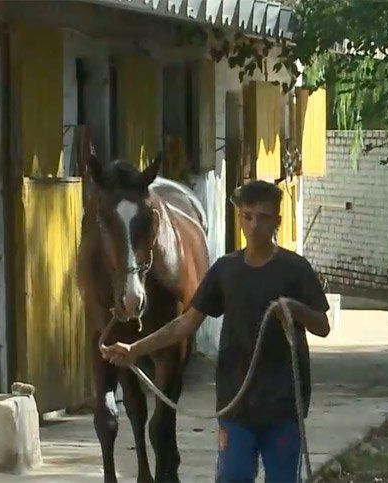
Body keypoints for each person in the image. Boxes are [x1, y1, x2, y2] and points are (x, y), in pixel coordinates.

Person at [101, 179, 330, 482]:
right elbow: (186, 323)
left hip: (283, 404)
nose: (254, 225)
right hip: (236, 404)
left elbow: (322, 326)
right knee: (232, 476)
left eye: (263, 217)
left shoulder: (295, 269)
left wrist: (295, 309)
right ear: (240, 219)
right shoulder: (225, 270)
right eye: (248, 216)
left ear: (277, 220)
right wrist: (134, 349)